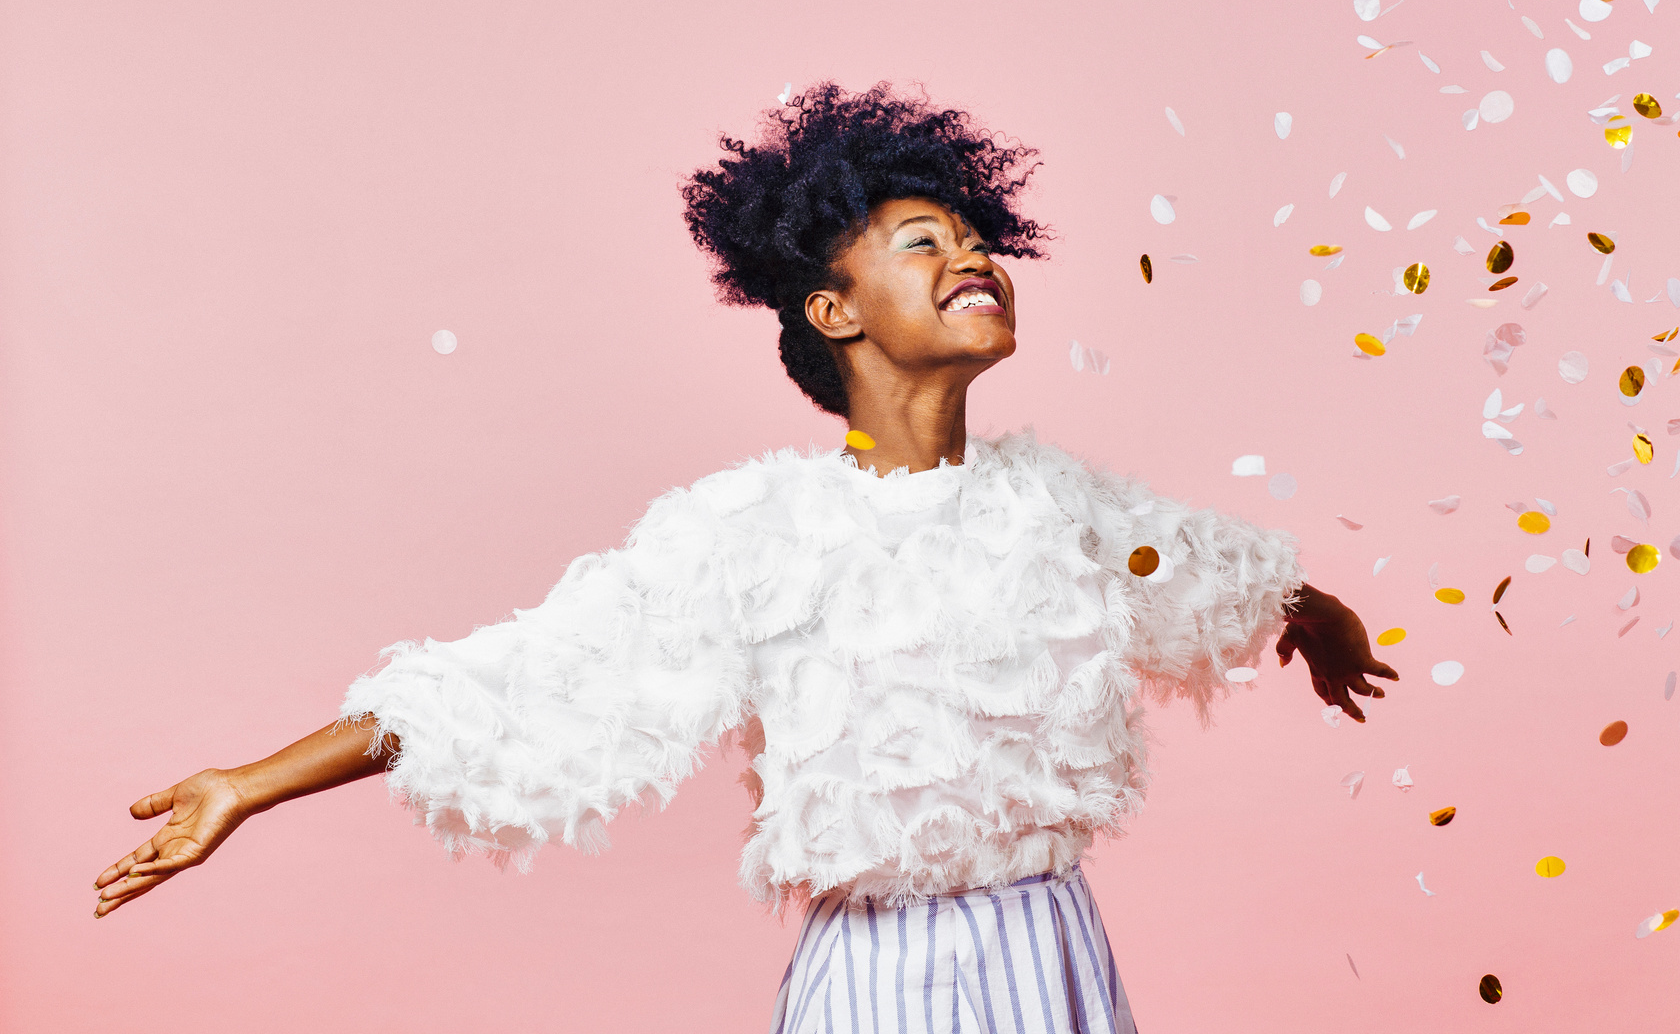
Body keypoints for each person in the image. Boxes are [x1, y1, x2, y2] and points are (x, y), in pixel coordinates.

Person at [94, 82, 1397, 1033]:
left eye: (977, 237)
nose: (972, 255)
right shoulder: (757, 535)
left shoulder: (1066, 508)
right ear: (834, 312)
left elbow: (1209, 572)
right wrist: (249, 785)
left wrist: (1314, 613)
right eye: (922, 242)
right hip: (882, 980)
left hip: (1054, 956)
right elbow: (529, 675)